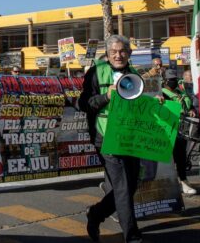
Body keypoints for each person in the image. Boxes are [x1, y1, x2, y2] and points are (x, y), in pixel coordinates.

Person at [78, 34, 142, 243]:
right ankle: (132, 235)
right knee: (123, 186)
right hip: (105, 136)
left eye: (123, 51)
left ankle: (95, 214)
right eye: (114, 51)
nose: (118, 55)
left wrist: (155, 99)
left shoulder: (135, 74)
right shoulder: (96, 73)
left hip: (130, 138)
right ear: (107, 54)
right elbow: (84, 103)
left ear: (129, 54)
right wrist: (107, 96)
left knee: (131, 186)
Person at [161, 69, 197, 195]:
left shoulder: (180, 91)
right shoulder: (161, 94)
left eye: (174, 79)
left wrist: (191, 108)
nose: (173, 82)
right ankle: (174, 182)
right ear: (164, 81)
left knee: (181, 156)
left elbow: (188, 104)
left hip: (182, 128)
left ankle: (183, 180)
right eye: (170, 80)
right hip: (168, 128)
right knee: (169, 158)